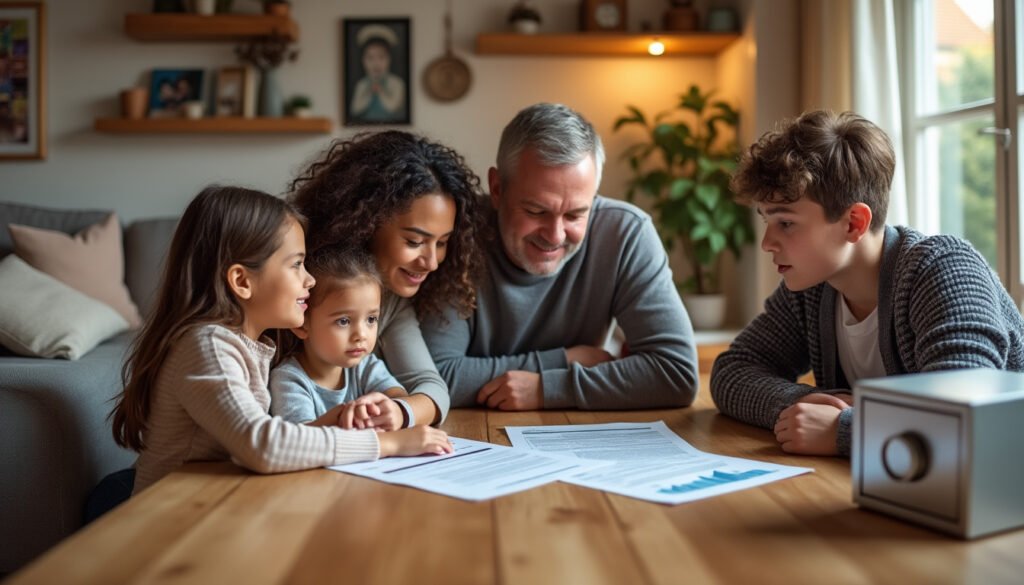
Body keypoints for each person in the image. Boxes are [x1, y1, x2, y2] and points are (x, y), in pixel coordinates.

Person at [711, 110, 1024, 457]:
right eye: (766, 221)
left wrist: (845, 429)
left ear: (854, 223)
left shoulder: (944, 269)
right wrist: (803, 402)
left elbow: (966, 415)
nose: (767, 243)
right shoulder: (812, 288)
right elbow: (732, 373)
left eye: (785, 223)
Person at [110, 186, 452, 495]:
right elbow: (262, 445)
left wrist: (340, 418)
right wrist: (388, 444)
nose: (310, 281)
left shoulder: (246, 345)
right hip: (170, 519)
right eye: (297, 265)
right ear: (242, 281)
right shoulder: (208, 346)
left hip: (216, 504)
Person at [420, 103, 700, 411]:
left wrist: (545, 388)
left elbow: (676, 373)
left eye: (575, 215)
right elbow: (434, 377)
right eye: (536, 211)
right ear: (497, 189)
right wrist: (563, 360)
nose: (555, 236)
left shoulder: (625, 234)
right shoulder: (456, 231)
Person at [289, 130, 486, 427]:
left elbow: (431, 387)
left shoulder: (390, 301)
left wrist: (399, 411)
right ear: (366, 224)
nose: (432, 262)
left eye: (442, 242)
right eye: (414, 241)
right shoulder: (292, 288)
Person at [270, 246, 413, 431]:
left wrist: (391, 408)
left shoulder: (365, 366)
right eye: (343, 321)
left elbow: (399, 397)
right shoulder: (288, 379)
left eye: (371, 319)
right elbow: (300, 438)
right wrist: (348, 417)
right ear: (302, 325)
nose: (361, 335)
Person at [349, 24, 406, 123]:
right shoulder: (362, 84)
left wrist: (381, 91)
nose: (376, 63)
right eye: (370, 58)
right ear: (363, 60)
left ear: (389, 59)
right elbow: (356, 109)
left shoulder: (396, 83)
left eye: (381, 57)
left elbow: (393, 107)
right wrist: (369, 92)